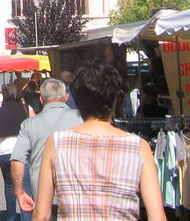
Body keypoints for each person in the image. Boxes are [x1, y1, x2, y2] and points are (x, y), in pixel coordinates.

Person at [33, 60, 165, 221]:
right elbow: (157, 216)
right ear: (115, 98)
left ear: (75, 97)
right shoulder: (138, 147)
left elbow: (42, 215)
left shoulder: (57, 143)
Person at [10, 79, 81, 218]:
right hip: (76, 193)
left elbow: (17, 159)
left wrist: (20, 192)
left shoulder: (29, 124)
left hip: (42, 195)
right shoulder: (81, 119)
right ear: (66, 97)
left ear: (41, 99)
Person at [0, 85, 28, 221]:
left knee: (9, 185)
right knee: (25, 184)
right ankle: (26, 215)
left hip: (5, 150)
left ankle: (10, 216)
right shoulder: (26, 109)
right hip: (23, 149)